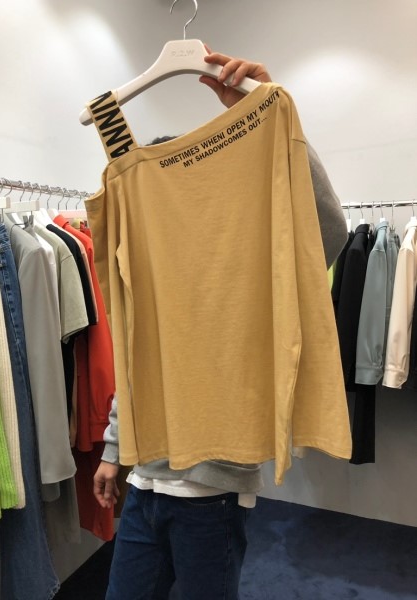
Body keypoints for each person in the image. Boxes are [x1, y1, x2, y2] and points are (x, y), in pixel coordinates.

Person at [93, 49, 348, 600]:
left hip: (211, 494)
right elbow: (135, 362)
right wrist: (114, 452)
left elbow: (325, 231)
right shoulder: (144, 264)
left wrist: (268, 114)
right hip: (143, 483)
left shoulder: (241, 261)